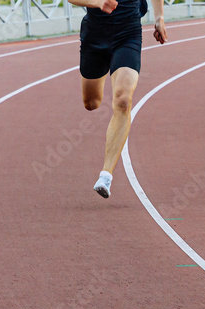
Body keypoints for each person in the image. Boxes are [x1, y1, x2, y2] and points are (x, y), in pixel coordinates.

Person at [69, 0, 166, 198]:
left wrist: (159, 18)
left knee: (123, 100)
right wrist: (97, 2)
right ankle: (104, 66)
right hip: (95, 34)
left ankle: (106, 175)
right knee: (91, 103)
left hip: (127, 33)